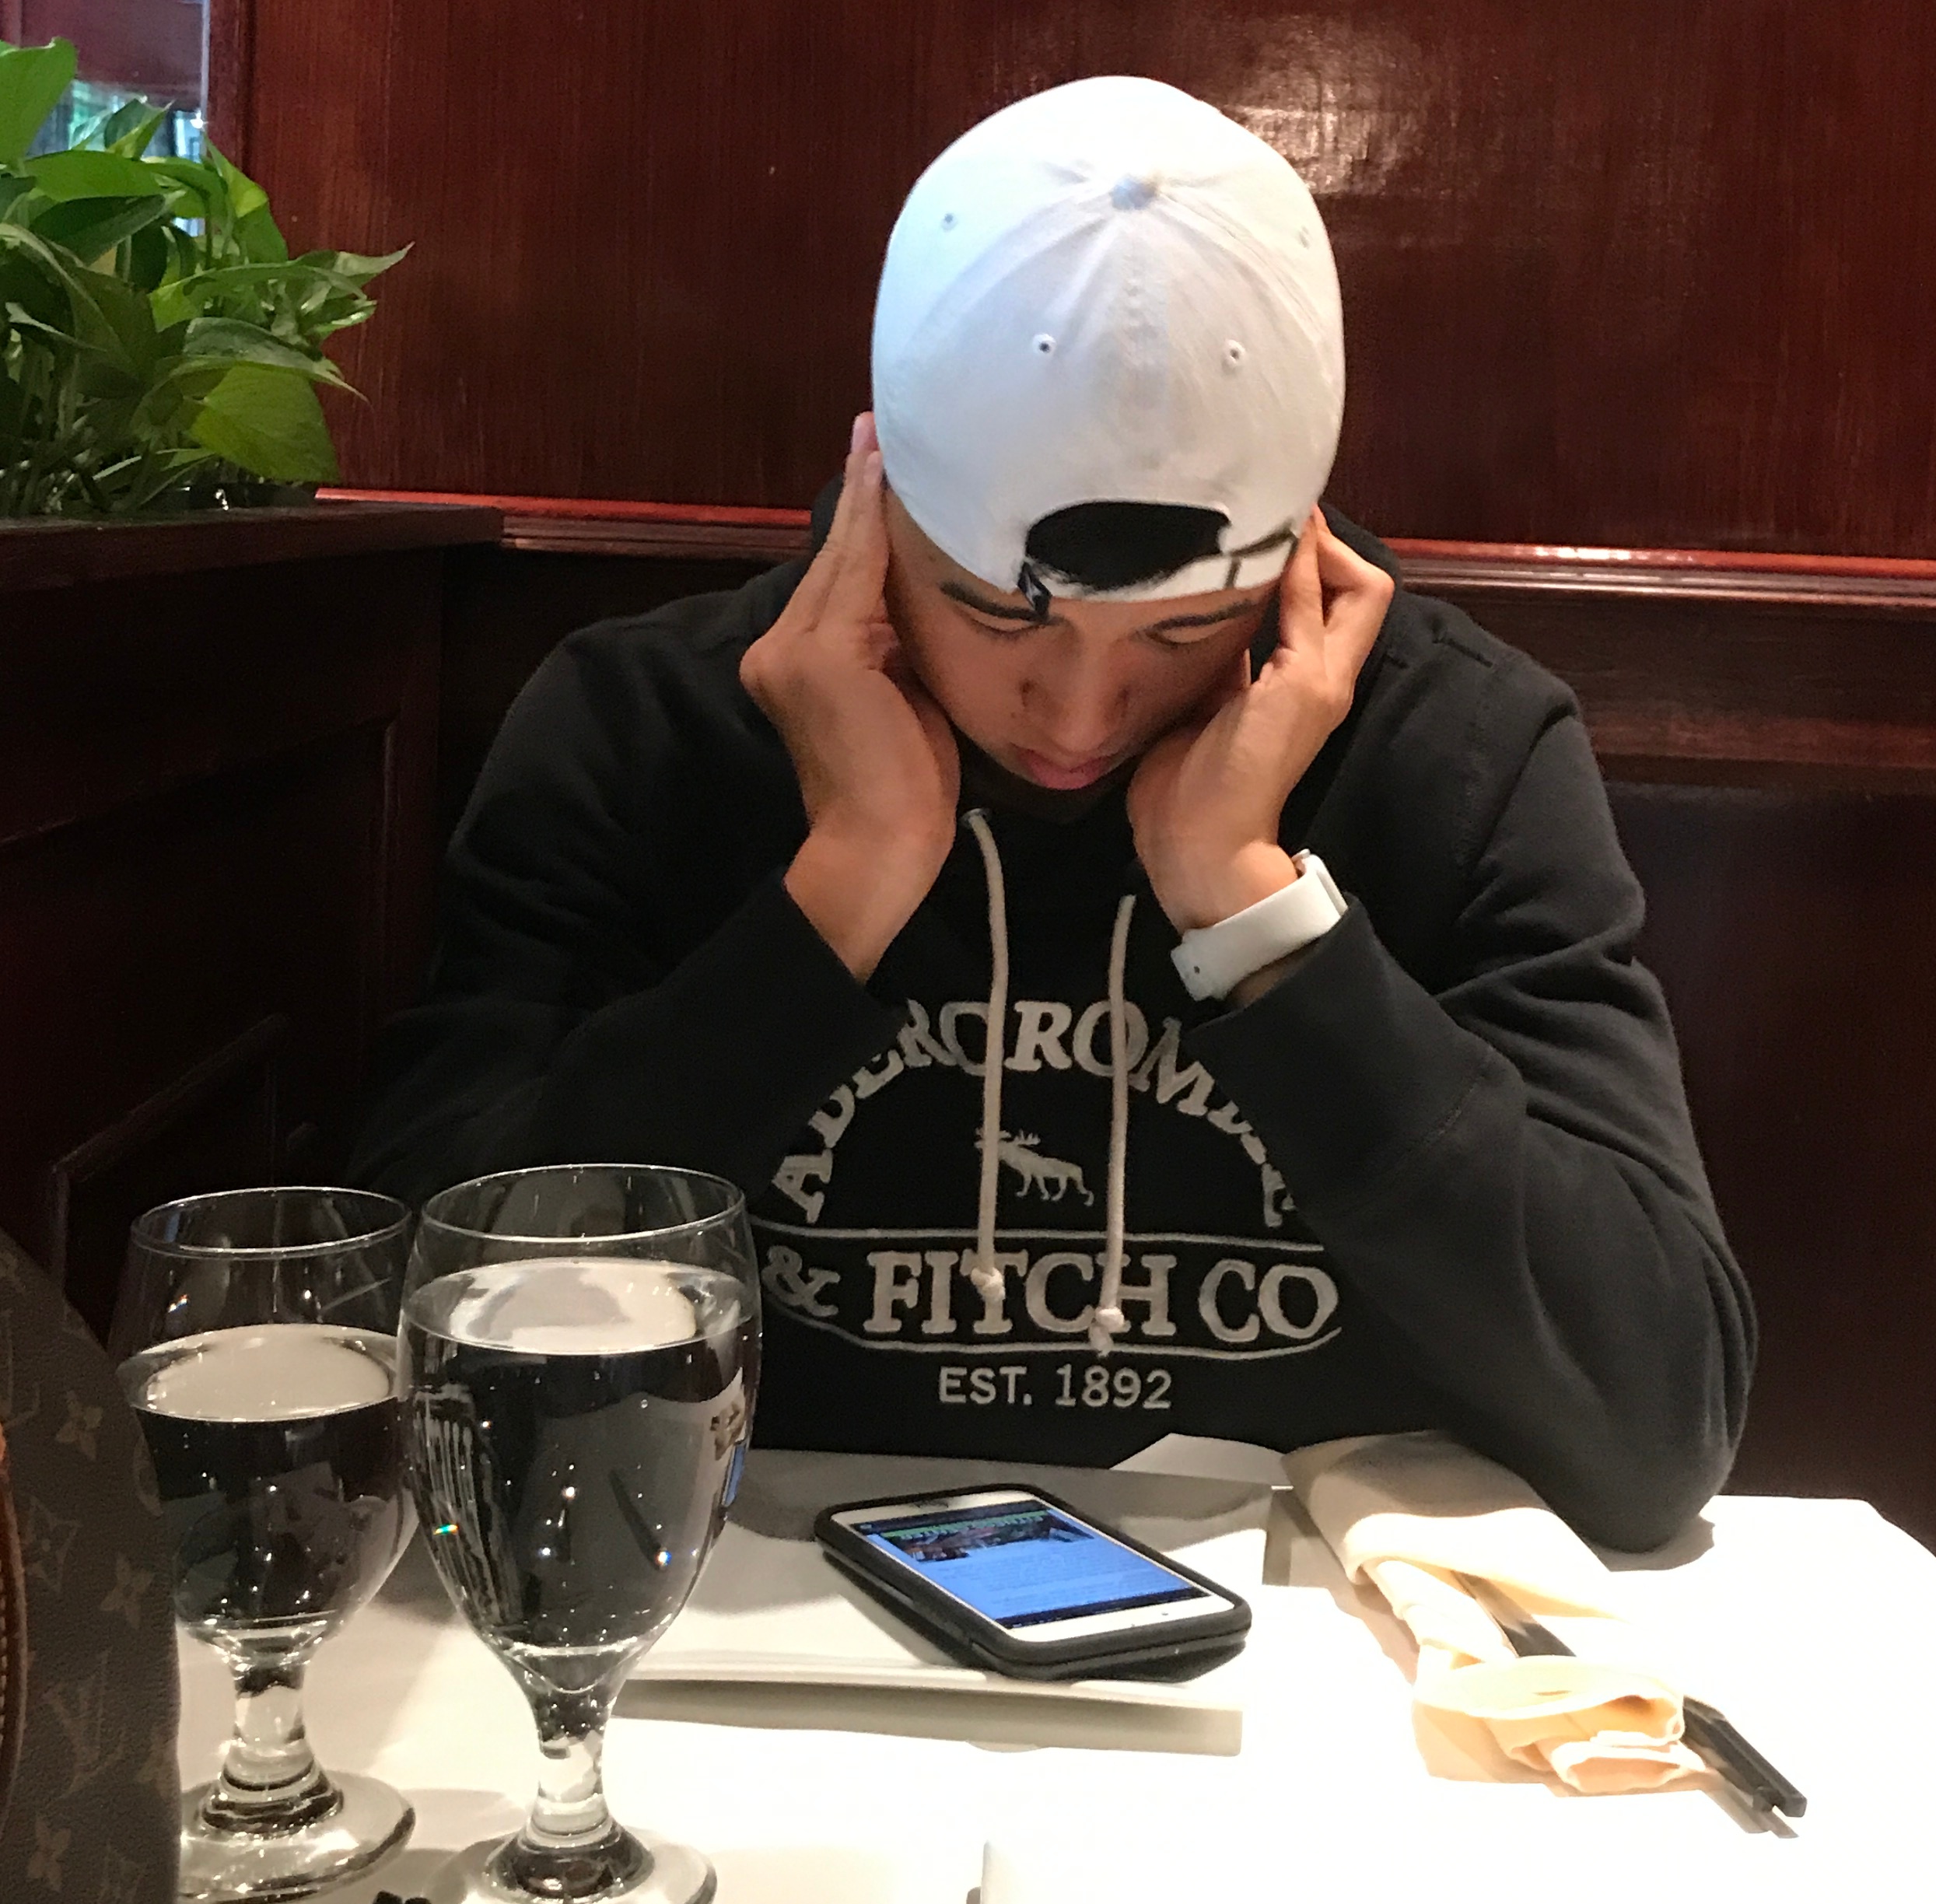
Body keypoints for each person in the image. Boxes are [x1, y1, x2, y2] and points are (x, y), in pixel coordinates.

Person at [353, 78, 1754, 1549]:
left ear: (1299, 557)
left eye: (1181, 632)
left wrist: (1260, 916)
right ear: (880, 495)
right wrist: (841, 890)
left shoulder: (1457, 749)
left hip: (1291, 1648)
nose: (1080, 720)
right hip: (740, 1616)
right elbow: (425, 1351)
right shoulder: (647, 728)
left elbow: (1656, 1427)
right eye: (993, 614)